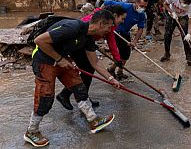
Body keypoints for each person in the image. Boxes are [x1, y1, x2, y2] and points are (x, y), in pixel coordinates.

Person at [24, 10, 121, 147]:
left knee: (79, 88)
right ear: (100, 24)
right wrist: (59, 59)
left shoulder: (89, 37)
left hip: (62, 60)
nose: (110, 30)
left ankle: (93, 120)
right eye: (109, 26)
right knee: (45, 98)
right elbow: (39, 41)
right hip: (44, 61)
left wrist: (111, 79)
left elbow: (95, 63)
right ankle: (31, 131)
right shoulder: (73, 27)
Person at [56, 5, 126, 110]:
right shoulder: (92, 21)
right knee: (86, 69)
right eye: (122, 18)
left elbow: (111, 42)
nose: (123, 21)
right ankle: (73, 96)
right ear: (115, 16)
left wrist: (117, 59)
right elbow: (81, 32)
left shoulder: (109, 25)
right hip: (75, 45)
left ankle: (80, 97)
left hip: (86, 44)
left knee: (88, 69)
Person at [104, 0, 148, 78]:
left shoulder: (141, 14)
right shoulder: (125, 6)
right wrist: (101, 15)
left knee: (126, 54)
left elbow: (140, 29)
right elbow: (107, 2)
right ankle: (114, 70)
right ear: (136, 3)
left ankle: (115, 70)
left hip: (125, 32)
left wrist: (134, 41)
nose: (143, 8)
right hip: (115, 31)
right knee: (121, 53)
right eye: (141, 6)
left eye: (145, 6)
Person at [160, 0, 191, 66]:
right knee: (167, 35)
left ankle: (189, 58)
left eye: (187, 3)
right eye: (184, 2)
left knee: (185, 37)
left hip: (183, 17)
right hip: (172, 15)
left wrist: (189, 34)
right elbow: (165, 4)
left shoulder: (190, 6)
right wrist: (171, 12)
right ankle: (167, 54)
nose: (184, 5)